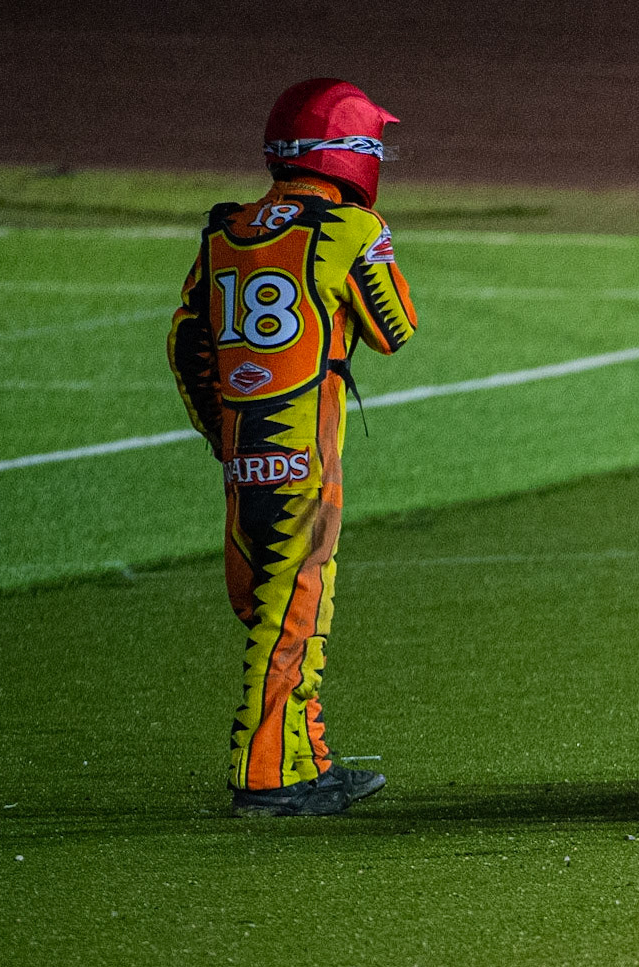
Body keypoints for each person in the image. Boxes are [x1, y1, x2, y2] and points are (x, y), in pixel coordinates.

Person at [167, 78, 417, 816]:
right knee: (295, 611)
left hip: (244, 449)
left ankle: (307, 758)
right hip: (305, 449)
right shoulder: (346, 228)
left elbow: (185, 343)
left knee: (271, 610)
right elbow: (394, 329)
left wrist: (222, 431)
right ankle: (268, 776)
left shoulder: (224, 230)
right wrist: (375, 244)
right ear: (349, 153)